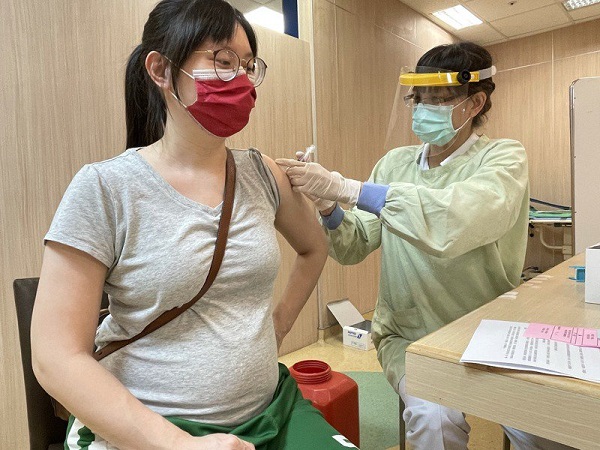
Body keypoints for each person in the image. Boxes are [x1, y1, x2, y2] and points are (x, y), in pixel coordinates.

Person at [30, 1, 356, 449]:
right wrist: (181, 445)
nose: (241, 80)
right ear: (161, 70)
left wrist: (278, 326)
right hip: (147, 428)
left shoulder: (262, 173)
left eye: (248, 66)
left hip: (270, 412)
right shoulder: (105, 187)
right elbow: (55, 358)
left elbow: (314, 247)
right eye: (223, 61)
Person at [277, 42, 575, 450]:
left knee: (548, 432)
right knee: (434, 422)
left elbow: (456, 220)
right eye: (419, 99)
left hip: (488, 333)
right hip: (409, 335)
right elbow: (355, 244)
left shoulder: (503, 158)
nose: (423, 109)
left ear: (475, 103)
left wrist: (350, 188)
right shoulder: (394, 164)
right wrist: (329, 206)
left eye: (439, 99)